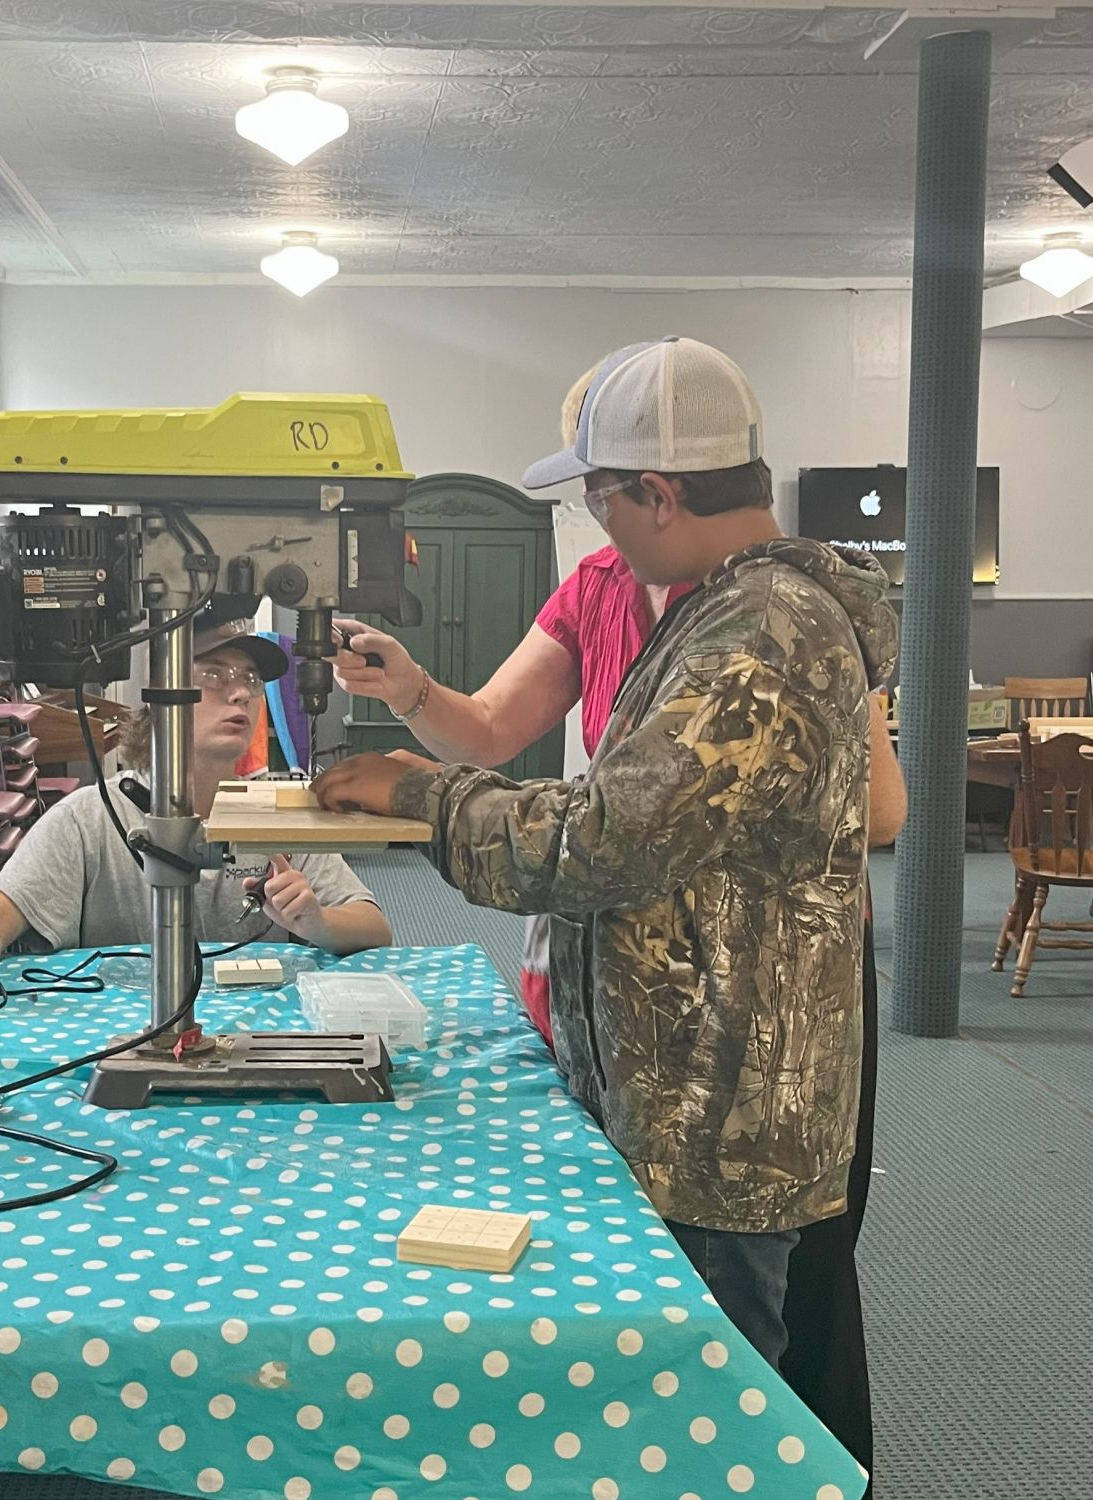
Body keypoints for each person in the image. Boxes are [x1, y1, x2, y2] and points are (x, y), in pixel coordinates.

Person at [332, 350, 901, 1481]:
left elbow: (604, 837)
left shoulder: (762, 636)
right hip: (685, 1075)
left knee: (715, 1408)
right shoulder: (714, 611)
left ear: (662, 493)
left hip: (724, 1100)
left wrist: (418, 794)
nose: (598, 525)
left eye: (600, 497)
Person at [0, 615, 392, 978]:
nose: (241, 694)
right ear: (160, 693)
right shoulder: (91, 818)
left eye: (249, 680)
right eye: (213, 676)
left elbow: (374, 927)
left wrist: (317, 923)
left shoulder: (276, 814)